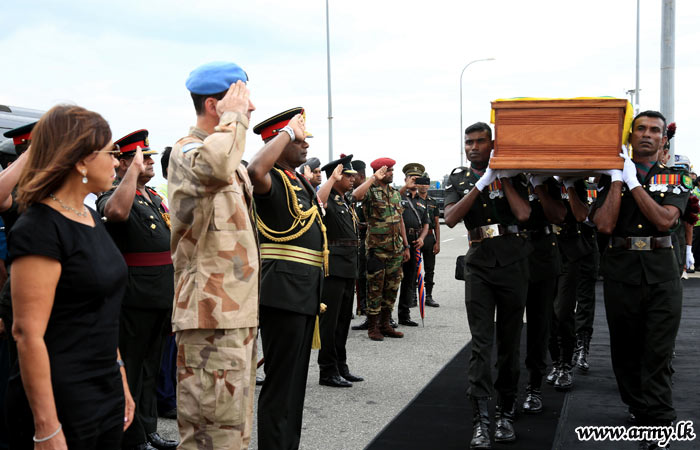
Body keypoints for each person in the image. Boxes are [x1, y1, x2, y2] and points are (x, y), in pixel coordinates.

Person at [7, 104, 134, 449]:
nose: (116, 161)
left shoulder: (90, 217)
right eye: (111, 152)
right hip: (63, 397)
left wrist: (120, 378)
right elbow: (27, 334)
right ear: (80, 160)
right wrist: (46, 427)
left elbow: (103, 309)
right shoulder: (40, 228)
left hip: (103, 388)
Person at [168, 62, 258, 450]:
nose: (250, 109)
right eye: (242, 99)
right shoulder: (189, 153)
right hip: (209, 316)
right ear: (213, 105)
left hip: (233, 314)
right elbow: (215, 165)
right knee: (210, 432)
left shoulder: (228, 159)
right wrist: (233, 118)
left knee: (233, 429)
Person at [592, 111, 690, 448]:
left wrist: (634, 183)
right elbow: (604, 226)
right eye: (641, 129)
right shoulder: (607, 179)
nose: (647, 135)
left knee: (658, 350)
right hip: (621, 270)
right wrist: (619, 178)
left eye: (655, 131)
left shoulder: (677, 177)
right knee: (625, 348)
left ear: (664, 139)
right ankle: (637, 406)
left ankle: (659, 422)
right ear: (630, 136)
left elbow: (664, 220)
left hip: (662, 271)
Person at [444, 122, 531, 448]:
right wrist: (481, 184)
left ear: (492, 144)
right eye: (469, 142)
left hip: (513, 263)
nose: (474, 147)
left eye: (481, 141)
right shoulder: (458, 179)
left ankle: (506, 413)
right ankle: (481, 419)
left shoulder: (515, 176)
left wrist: (502, 176)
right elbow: (451, 217)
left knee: (509, 345)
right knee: (481, 346)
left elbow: (523, 214)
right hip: (479, 264)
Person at [97, 130, 177, 450]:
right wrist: (130, 171)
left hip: (160, 293)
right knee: (129, 366)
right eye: (144, 158)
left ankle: (148, 429)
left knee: (150, 367)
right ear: (127, 162)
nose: (151, 162)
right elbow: (116, 213)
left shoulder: (154, 196)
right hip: (135, 296)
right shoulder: (115, 192)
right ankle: (129, 436)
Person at [247, 107, 322, 450]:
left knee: (294, 383)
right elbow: (253, 169)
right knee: (281, 383)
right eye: (299, 139)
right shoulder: (272, 177)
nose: (305, 145)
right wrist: (287, 134)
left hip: (303, 291)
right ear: (279, 140)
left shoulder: (295, 178)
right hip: (284, 292)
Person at [316, 155, 364, 388]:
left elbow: (360, 192)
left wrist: (373, 178)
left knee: (343, 321)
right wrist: (330, 180)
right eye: (348, 176)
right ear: (335, 177)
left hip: (348, 267)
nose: (353, 179)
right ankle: (327, 370)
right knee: (330, 323)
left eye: (353, 175)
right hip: (333, 269)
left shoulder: (345, 201)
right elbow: (317, 202)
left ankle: (341, 366)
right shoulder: (329, 200)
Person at [545, 177, 596, 392]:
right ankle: (556, 362)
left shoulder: (576, 183)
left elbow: (580, 215)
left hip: (570, 253)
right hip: (543, 253)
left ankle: (567, 364)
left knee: (563, 311)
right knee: (547, 315)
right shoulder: (541, 182)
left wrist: (570, 185)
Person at [351, 158, 410, 341]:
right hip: (377, 250)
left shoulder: (394, 193)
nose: (392, 173)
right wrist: (372, 178)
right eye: (388, 170)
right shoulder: (370, 191)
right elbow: (356, 196)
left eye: (393, 170)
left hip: (395, 249)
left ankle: (386, 324)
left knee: (392, 289)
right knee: (375, 289)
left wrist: (405, 246)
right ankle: (373, 327)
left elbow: (400, 219)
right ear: (379, 172)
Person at [520, 175, 564, 413]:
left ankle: (534, 386)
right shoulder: (505, 178)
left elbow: (559, 216)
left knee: (541, 324)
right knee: (509, 328)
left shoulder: (548, 181)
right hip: (511, 253)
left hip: (543, 255)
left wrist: (539, 186)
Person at [397, 163, 429, 326]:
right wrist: (405, 187)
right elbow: (392, 200)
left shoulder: (422, 201)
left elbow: (426, 224)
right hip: (398, 243)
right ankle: (385, 317)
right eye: (412, 178)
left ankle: (404, 315)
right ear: (406, 179)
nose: (415, 182)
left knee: (409, 280)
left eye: (418, 179)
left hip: (415, 242)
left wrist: (423, 238)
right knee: (392, 279)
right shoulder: (399, 195)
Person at [350, 159, 371, 330]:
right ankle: (361, 308)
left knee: (367, 276)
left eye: (353, 176)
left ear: (361, 176)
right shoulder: (352, 193)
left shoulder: (368, 192)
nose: (351, 179)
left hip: (369, 240)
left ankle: (367, 309)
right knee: (357, 275)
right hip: (355, 241)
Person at [415, 175, 441, 307]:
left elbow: (436, 224)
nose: (424, 186)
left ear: (429, 186)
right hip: (417, 237)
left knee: (430, 268)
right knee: (414, 268)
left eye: (426, 184)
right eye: (421, 184)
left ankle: (429, 296)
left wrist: (438, 242)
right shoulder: (413, 200)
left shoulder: (433, 202)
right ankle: (413, 297)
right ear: (417, 185)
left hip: (430, 238)